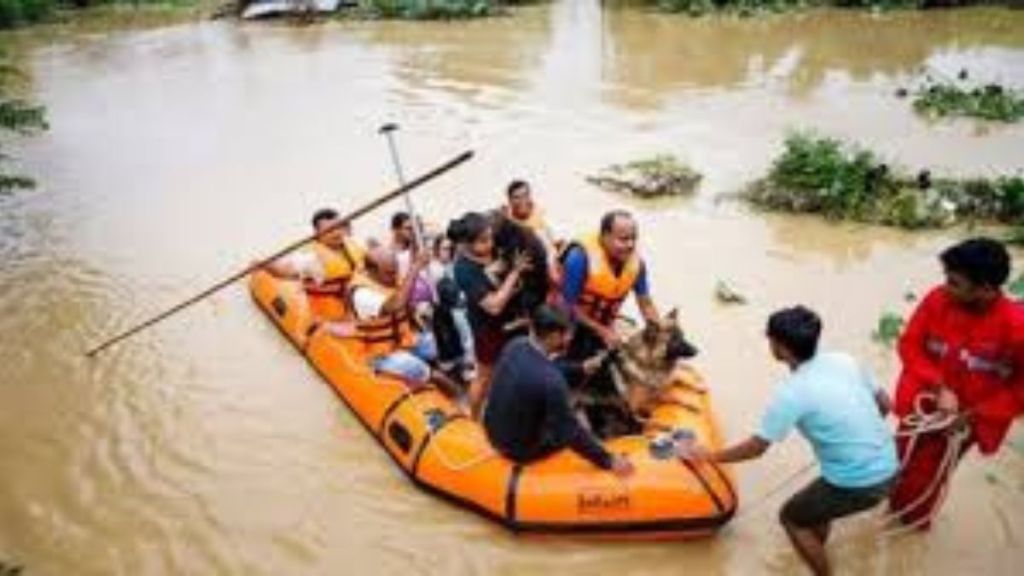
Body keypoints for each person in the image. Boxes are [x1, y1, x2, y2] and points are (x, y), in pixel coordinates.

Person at [681, 306, 897, 576]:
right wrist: (853, 437)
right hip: (890, 466)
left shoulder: (791, 393)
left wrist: (708, 456)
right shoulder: (844, 360)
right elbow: (886, 405)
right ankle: (817, 547)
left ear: (780, 348)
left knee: (792, 518)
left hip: (858, 483)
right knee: (817, 506)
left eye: (770, 339)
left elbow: (757, 448)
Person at [889, 238, 1024, 528]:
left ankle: (913, 530)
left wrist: (971, 415)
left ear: (986, 289)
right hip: (922, 407)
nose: (945, 287)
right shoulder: (937, 300)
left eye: (955, 283)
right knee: (897, 464)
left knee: (924, 481)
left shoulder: (1016, 327)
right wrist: (939, 387)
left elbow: (1019, 391)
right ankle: (897, 514)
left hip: (963, 423)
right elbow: (910, 346)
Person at [484, 304, 634, 477]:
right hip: (518, 450)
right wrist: (608, 460)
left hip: (492, 431)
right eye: (568, 333)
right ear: (555, 335)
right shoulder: (552, 382)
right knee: (578, 420)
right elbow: (569, 432)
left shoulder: (515, 345)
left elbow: (542, 367)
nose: (570, 338)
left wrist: (581, 368)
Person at [347, 244, 458, 398]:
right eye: (389, 273)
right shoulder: (362, 294)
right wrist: (415, 267)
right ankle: (451, 394)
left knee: (441, 343)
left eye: (395, 271)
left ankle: (442, 370)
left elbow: (407, 305)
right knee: (419, 369)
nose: (394, 277)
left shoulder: (388, 278)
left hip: (404, 339)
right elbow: (395, 305)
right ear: (371, 271)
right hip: (381, 353)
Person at [449, 212, 531, 418]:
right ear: (467, 244)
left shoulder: (491, 251)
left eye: (491, 237)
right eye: (484, 241)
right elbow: (494, 306)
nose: (491, 244)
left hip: (511, 322)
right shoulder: (464, 269)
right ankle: (473, 416)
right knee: (484, 375)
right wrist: (515, 273)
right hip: (488, 328)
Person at [561, 210, 660, 372]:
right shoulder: (579, 258)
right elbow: (566, 306)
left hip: (604, 322)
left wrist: (658, 329)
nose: (630, 245)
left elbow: (645, 302)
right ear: (605, 237)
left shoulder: (637, 264)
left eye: (633, 238)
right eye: (623, 239)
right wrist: (602, 332)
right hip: (571, 322)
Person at [263, 208, 365, 321]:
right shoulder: (311, 259)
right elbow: (283, 272)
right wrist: (263, 265)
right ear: (317, 234)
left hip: (358, 307)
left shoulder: (353, 245)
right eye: (330, 230)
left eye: (338, 227)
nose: (336, 233)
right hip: (332, 316)